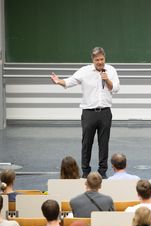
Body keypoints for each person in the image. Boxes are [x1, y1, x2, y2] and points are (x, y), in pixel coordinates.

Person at [51, 47, 120, 179]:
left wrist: (107, 80)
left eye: (102, 59)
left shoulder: (111, 70)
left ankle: (102, 171)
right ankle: (86, 170)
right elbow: (70, 81)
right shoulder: (84, 71)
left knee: (104, 143)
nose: (100, 62)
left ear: (105, 58)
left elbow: (116, 88)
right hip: (89, 113)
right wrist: (58, 81)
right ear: (92, 60)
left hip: (105, 112)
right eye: (97, 60)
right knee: (86, 143)